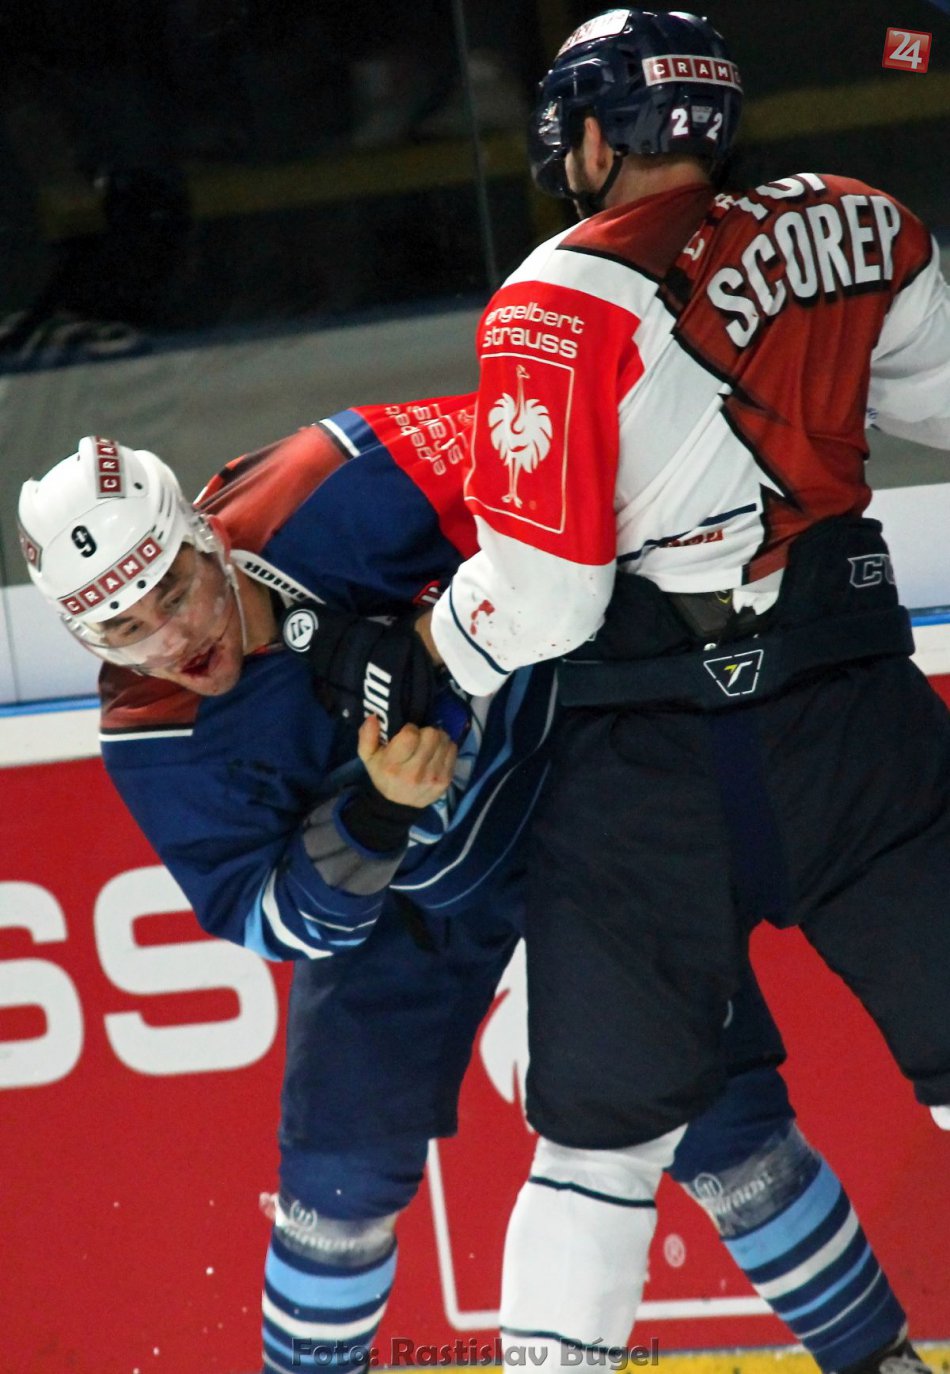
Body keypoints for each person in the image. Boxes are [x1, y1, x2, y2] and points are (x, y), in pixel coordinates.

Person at [18, 401, 929, 1374]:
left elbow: (557, 462)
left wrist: (447, 637)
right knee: (335, 1187)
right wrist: (373, 819)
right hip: (400, 909)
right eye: (124, 628)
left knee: (721, 1121)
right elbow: (268, 916)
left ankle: (875, 1360)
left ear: (203, 535)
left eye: (174, 589)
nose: (172, 640)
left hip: (574, 804)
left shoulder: (336, 475)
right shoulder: (154, 736)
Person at [414, 7, 950, 1364]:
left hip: (646, 775)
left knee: (599, 1152)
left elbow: (546, 601)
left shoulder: (552, 301)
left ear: (594, 135)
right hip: (852, 725)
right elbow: (938, 403)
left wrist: (434, 650)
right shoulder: (856, 218)